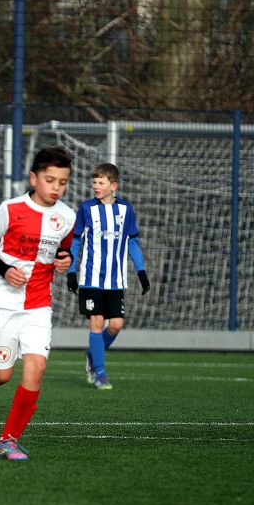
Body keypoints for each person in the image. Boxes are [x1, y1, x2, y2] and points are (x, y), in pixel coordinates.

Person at [0, 146, 76, 461]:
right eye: (50, 180)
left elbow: (63, 250)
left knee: (36, 369)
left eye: (63, 182)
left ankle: (9, 440)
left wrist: (65, 260)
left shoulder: (67, 216)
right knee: (2, 374)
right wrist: (6, 270)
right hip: (2, 300)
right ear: (34, 178)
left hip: (38, 303)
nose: (56, 188)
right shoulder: (10, 209)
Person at [66, 163, 149, 390]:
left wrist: (141, 271)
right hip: (91, 278)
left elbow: (132, 241)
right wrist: (71, 271)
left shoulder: (126, 209)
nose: (96, 186)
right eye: (94, 182)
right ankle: (100, 373)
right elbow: (75, 241)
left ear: (113, 186)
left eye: (100, 183)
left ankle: (93, 354)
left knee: (116, 325)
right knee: (97, 321)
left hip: (116, 280)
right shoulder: (86, 209)